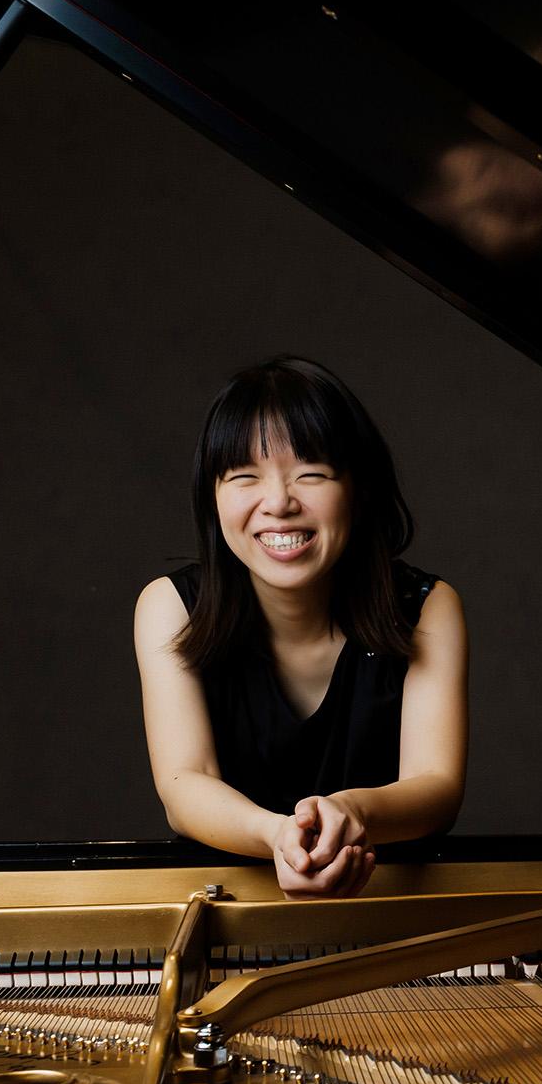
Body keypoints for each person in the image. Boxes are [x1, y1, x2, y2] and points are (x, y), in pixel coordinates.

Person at [134, 356, 466, 898]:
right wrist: (276, 834)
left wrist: (352, 811)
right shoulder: (171, 608)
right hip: (226, 911)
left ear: (356, 489)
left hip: (396, 921)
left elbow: (437, 785)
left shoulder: (428, 608)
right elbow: (183, 782)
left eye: (311, 474)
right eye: (244, 477)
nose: (279, 503)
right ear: (212, 497)